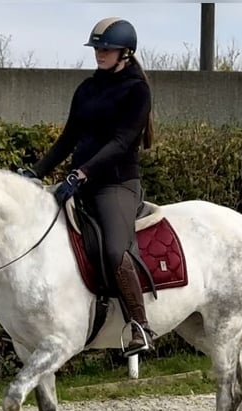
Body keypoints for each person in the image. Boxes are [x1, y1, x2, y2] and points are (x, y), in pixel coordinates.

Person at [17, 17, 156, 357]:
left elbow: (123, 142)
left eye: (105, 48)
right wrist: (35, 172)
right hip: (79, 181)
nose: (99, 54)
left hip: (116, 184)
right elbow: (68, 138)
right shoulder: (87, 88)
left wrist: (83, 174)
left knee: (113, 251)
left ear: (125, 52)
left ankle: (140, 325)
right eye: (96, 48)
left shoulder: (136, 90)